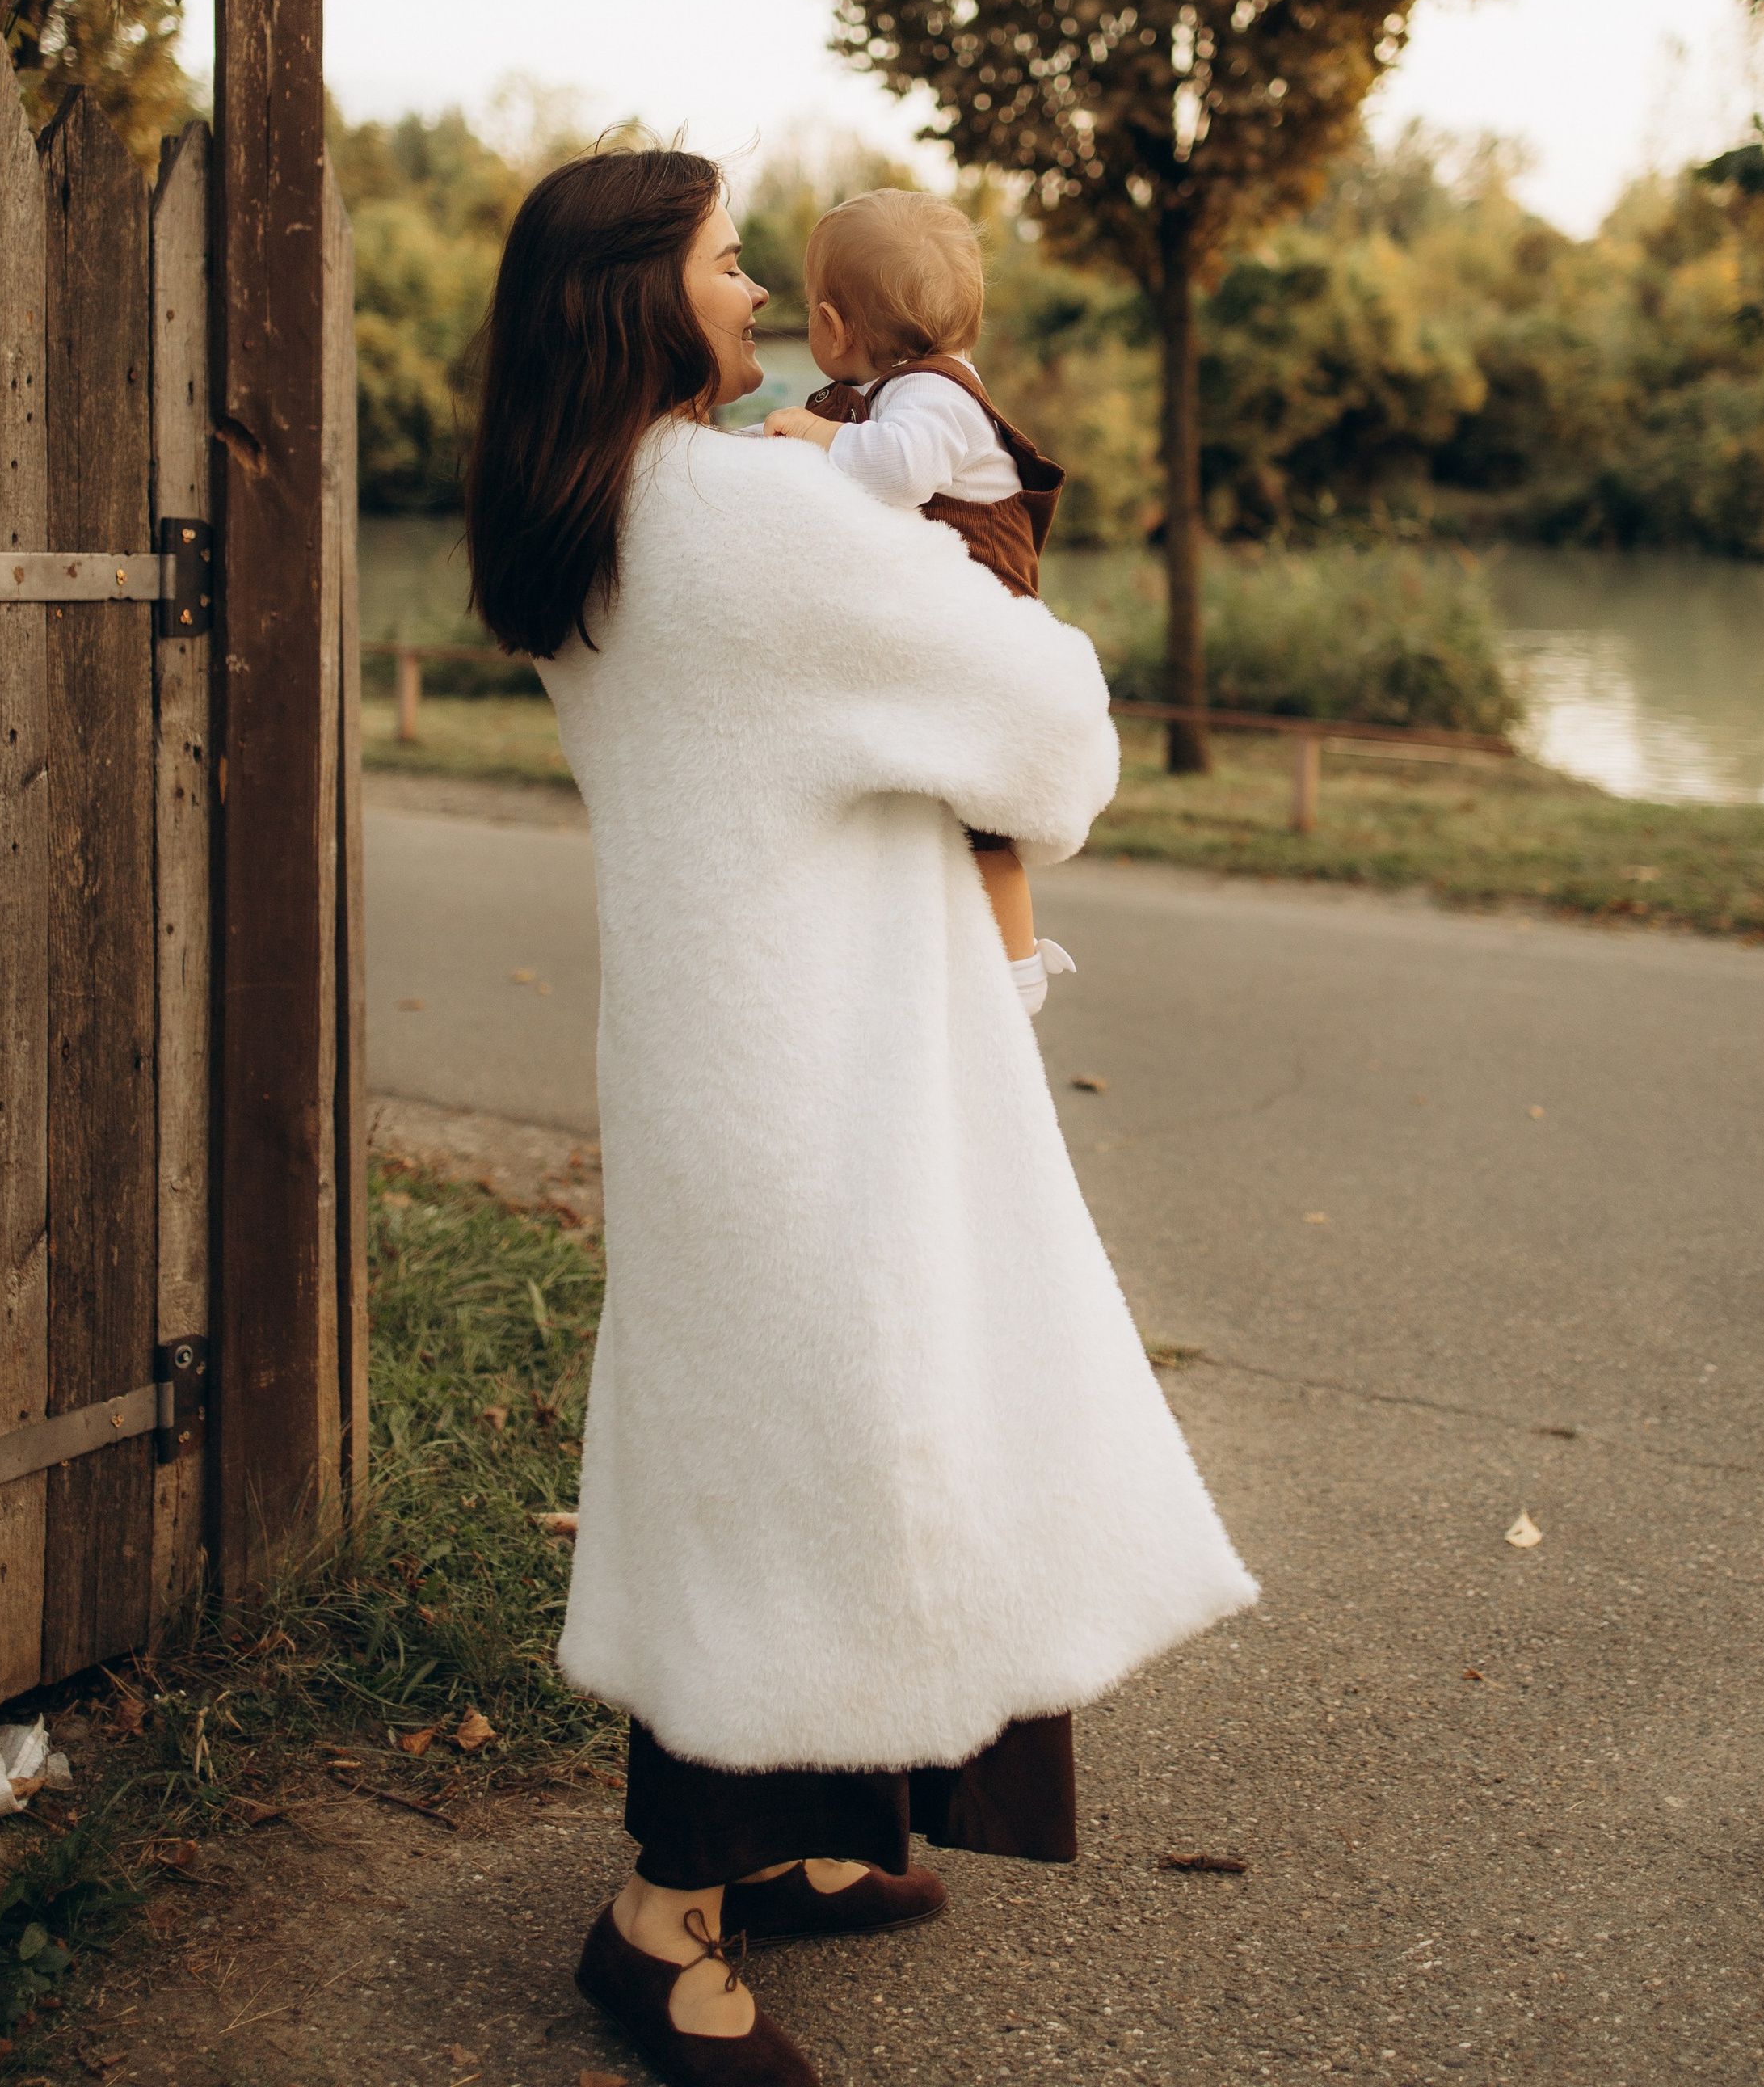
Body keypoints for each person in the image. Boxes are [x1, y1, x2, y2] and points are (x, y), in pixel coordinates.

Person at [465, 146, 1257, 2087]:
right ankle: (657, 1926)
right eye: (729, 267)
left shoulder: (589, 517)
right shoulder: (752, 519)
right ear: (644, 300)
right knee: (854, 1429)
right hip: (837, 1061)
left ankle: (817, 1827)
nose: (753, 301)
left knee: (785, 1443)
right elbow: (1052, 735)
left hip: (716, 1055)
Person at [758, 186, 1071, 1011]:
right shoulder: (897, 397)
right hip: (947, 640)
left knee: (982, 828)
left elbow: (895, 474)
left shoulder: (932, 397)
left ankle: (1016, 974)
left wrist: (824, 437)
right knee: (941, 819)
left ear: (829, 328)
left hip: (983, 643)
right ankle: (968, 958)